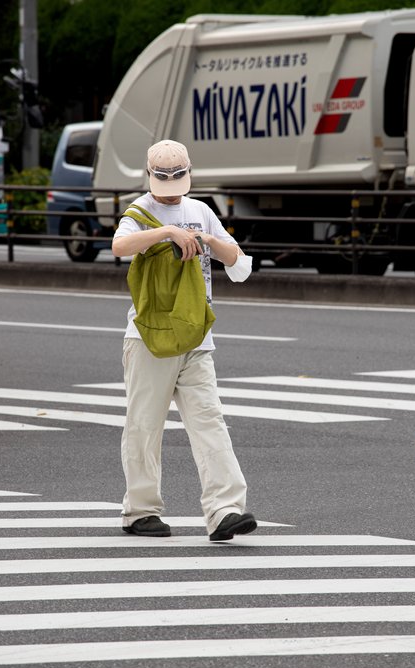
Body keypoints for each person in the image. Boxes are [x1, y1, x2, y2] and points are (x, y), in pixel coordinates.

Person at [112, 139, 257, 542]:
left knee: (209, 422)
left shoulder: (201, 211)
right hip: (149, 337)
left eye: (177, 181)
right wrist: (167, 232)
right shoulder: (140, 211)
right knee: (144, 426)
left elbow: (239, 264)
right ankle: (140, 511)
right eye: (165, 182)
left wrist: (206, 240)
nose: (172, 190)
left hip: (196, 335)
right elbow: (119, 246)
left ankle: (225, 510)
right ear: (150, 176)